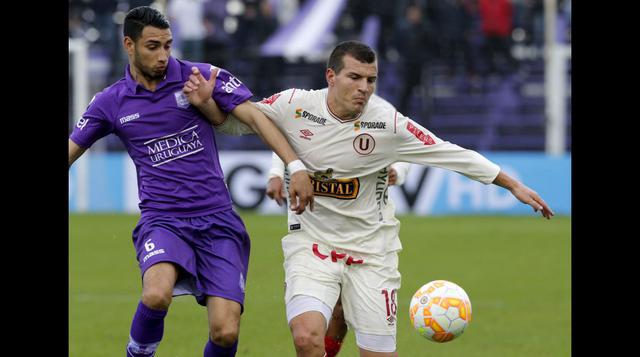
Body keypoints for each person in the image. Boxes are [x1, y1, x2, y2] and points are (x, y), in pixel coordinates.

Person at [184, 40, 554, 356]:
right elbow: (237, 123)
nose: (364, 87)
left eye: (371, 80)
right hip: (310, 244)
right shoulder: (294, 105)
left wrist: (511, 184)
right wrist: (206, 105)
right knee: (306, 338)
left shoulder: (386, 122)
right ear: (331, 76)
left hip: (372, 253)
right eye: (355, 77)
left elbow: (447, 151)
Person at [68, 6, 314, 357]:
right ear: (129, 45)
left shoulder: (200, 78)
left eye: (168, 45)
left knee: (226, 333)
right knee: (156, 294)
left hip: (217, 219)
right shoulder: (110, 102)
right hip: (163, 220)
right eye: (153, 46)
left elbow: (257, 119)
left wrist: (296, 165)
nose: (163, 55)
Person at [266, 153, 411, 357]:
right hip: (316, 230)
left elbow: (400, 137)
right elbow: (283, 130)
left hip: (363, 233)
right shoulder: (306, 123)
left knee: (341, 310)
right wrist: (276, 173)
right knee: (311, 331)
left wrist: (399, 169)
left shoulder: (375, 124)